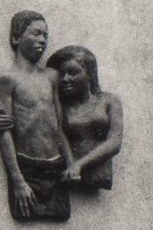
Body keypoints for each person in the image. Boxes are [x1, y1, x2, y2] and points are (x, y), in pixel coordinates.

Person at [0, 10, 72, 222]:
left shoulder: (51, 77)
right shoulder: (6, 79)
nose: (43, 40)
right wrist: (18, 181)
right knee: (25, 212)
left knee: (60, 214)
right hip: (27, 169)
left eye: (45, 35)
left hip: (55, 168)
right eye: (36, 33)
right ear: (16, 38)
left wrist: (71, 164)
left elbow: (59, 126)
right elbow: (5, 132)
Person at [49, 45, 123, 192]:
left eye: (72, 72)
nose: (65, 79)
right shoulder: (61, 107)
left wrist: (79, 165)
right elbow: (59, 133)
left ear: (89, 74)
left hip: (98, 174)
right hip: (72, 174)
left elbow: (115, 141)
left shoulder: (109, 101)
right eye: (61, 74)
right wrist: (71, 165)